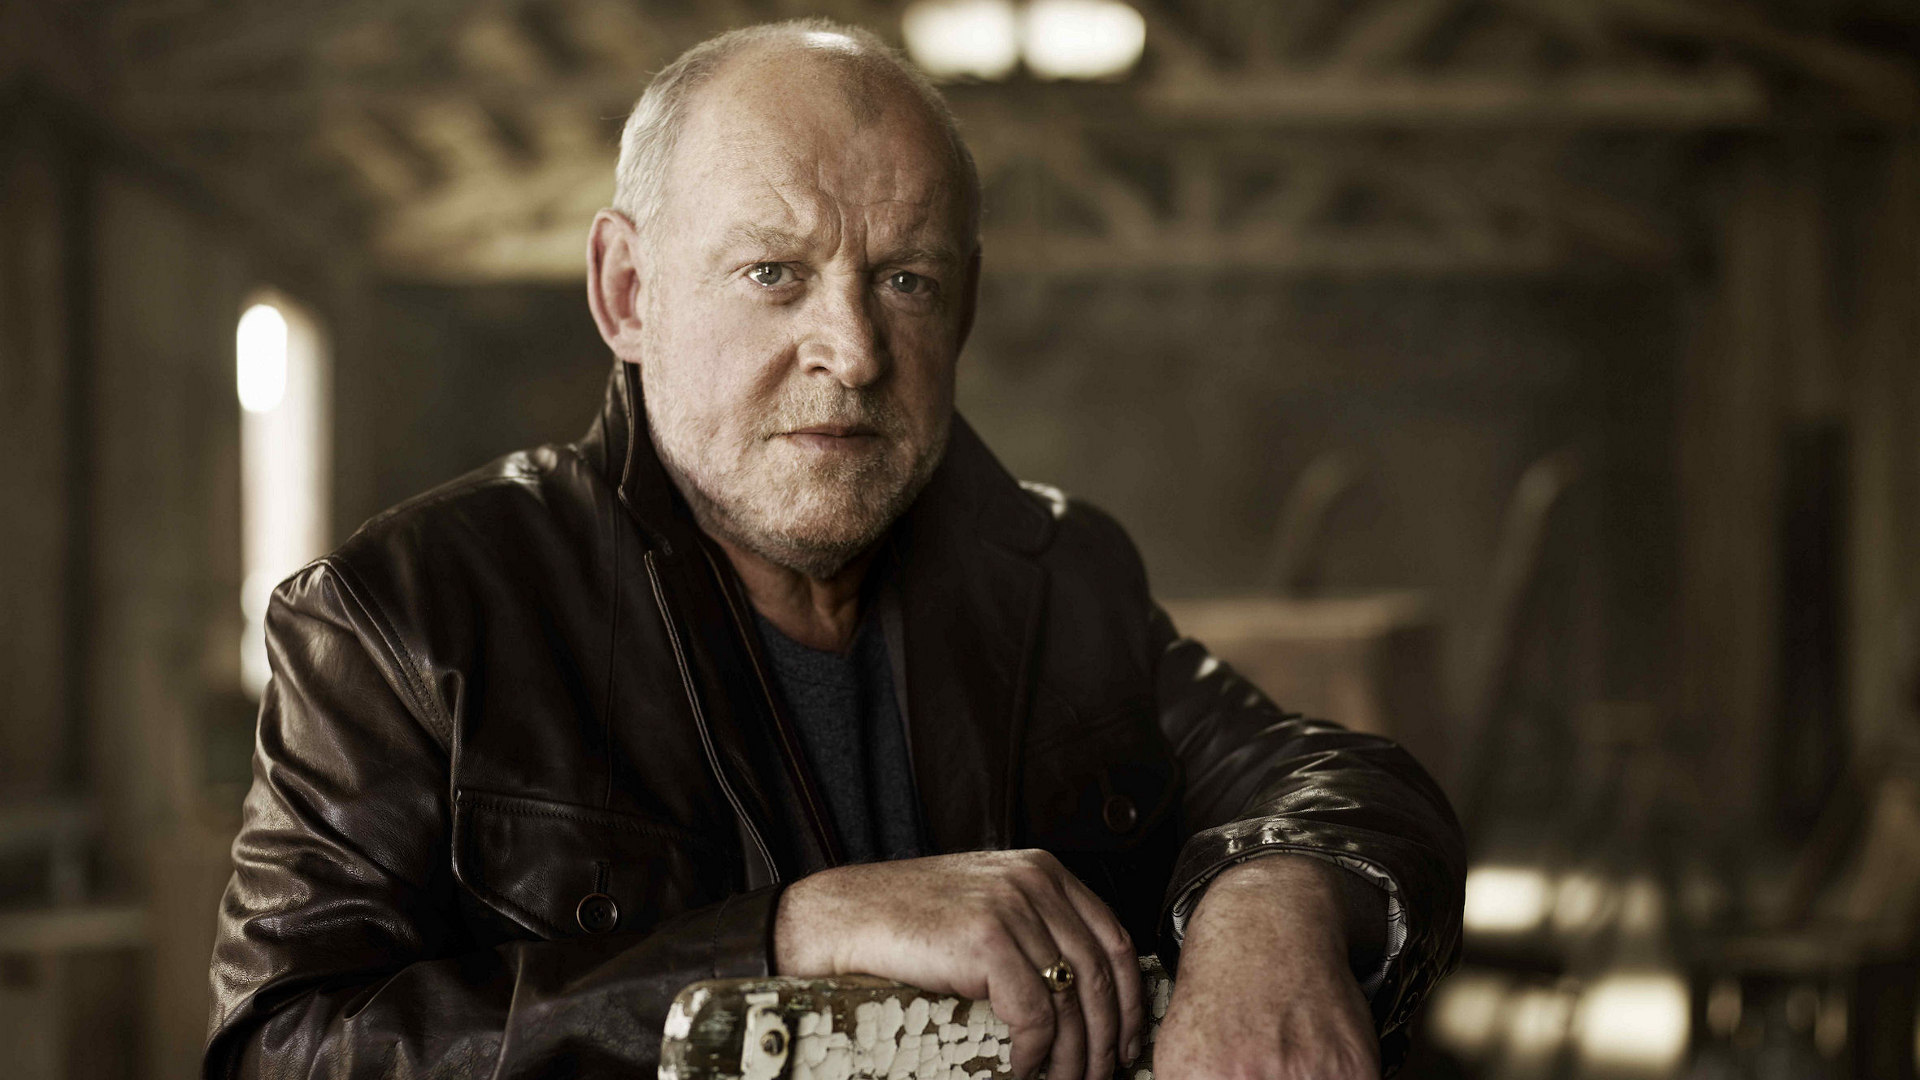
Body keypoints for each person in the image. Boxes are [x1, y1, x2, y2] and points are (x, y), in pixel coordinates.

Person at [205, 19, 1463, 1080]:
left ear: (964, 306)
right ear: (628, 293)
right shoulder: (403, 617)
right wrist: (780, 939)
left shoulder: (1059, 576)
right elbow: (280, 1048)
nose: (853, 352)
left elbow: (1327, 776)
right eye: (774, 272)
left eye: (906, 280)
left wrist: (1272, 903)